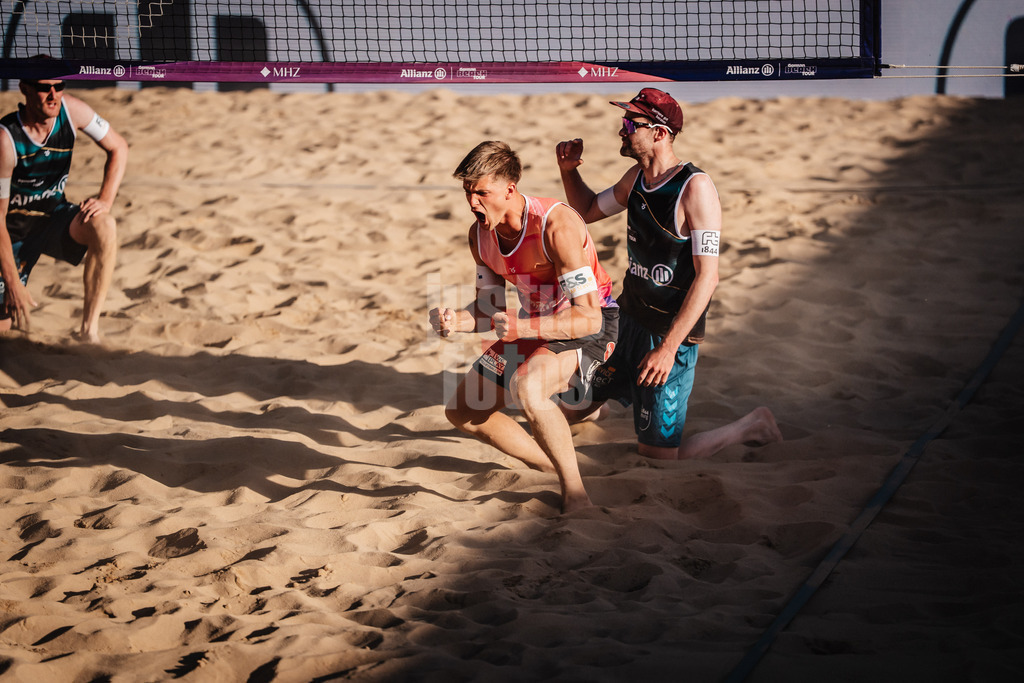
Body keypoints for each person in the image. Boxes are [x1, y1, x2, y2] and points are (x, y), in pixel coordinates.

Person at [555, 88, 782, 460]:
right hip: (627, 321)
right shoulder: (636, 179)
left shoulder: (695, 188)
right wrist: (568, 171)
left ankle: (753, 425)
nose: (622, 129)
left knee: (659, 461)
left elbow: (708, 277)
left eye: (631, 123)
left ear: (659, 133)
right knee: (568, 408)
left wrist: (667, 348)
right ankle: (604, 401)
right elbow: (587, 209)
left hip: (667, 335)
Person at [429, 141, 619, 513]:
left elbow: (589, 317)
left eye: (482, 193)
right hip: (530, 326)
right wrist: (457, 320)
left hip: (589, 325)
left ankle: (578, 497)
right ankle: (551, 462)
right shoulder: (480, 235)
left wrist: (522, 327)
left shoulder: (556, 225)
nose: (472, 203)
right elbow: (489, 308)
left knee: (529, 387)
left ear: (510, 190)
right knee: (463, 411)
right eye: (468, 192)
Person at [1, 74, 128, 343]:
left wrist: (105, 199)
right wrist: (12, 283)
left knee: (104, 225)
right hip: (10, 233)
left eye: (59, 87)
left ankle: (88, 332)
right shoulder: (6, 140)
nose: (53, 95)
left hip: (51, 219)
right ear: (24, 89)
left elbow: (119, 147)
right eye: (44, 88)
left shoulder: (72, 111)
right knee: (3, 329)